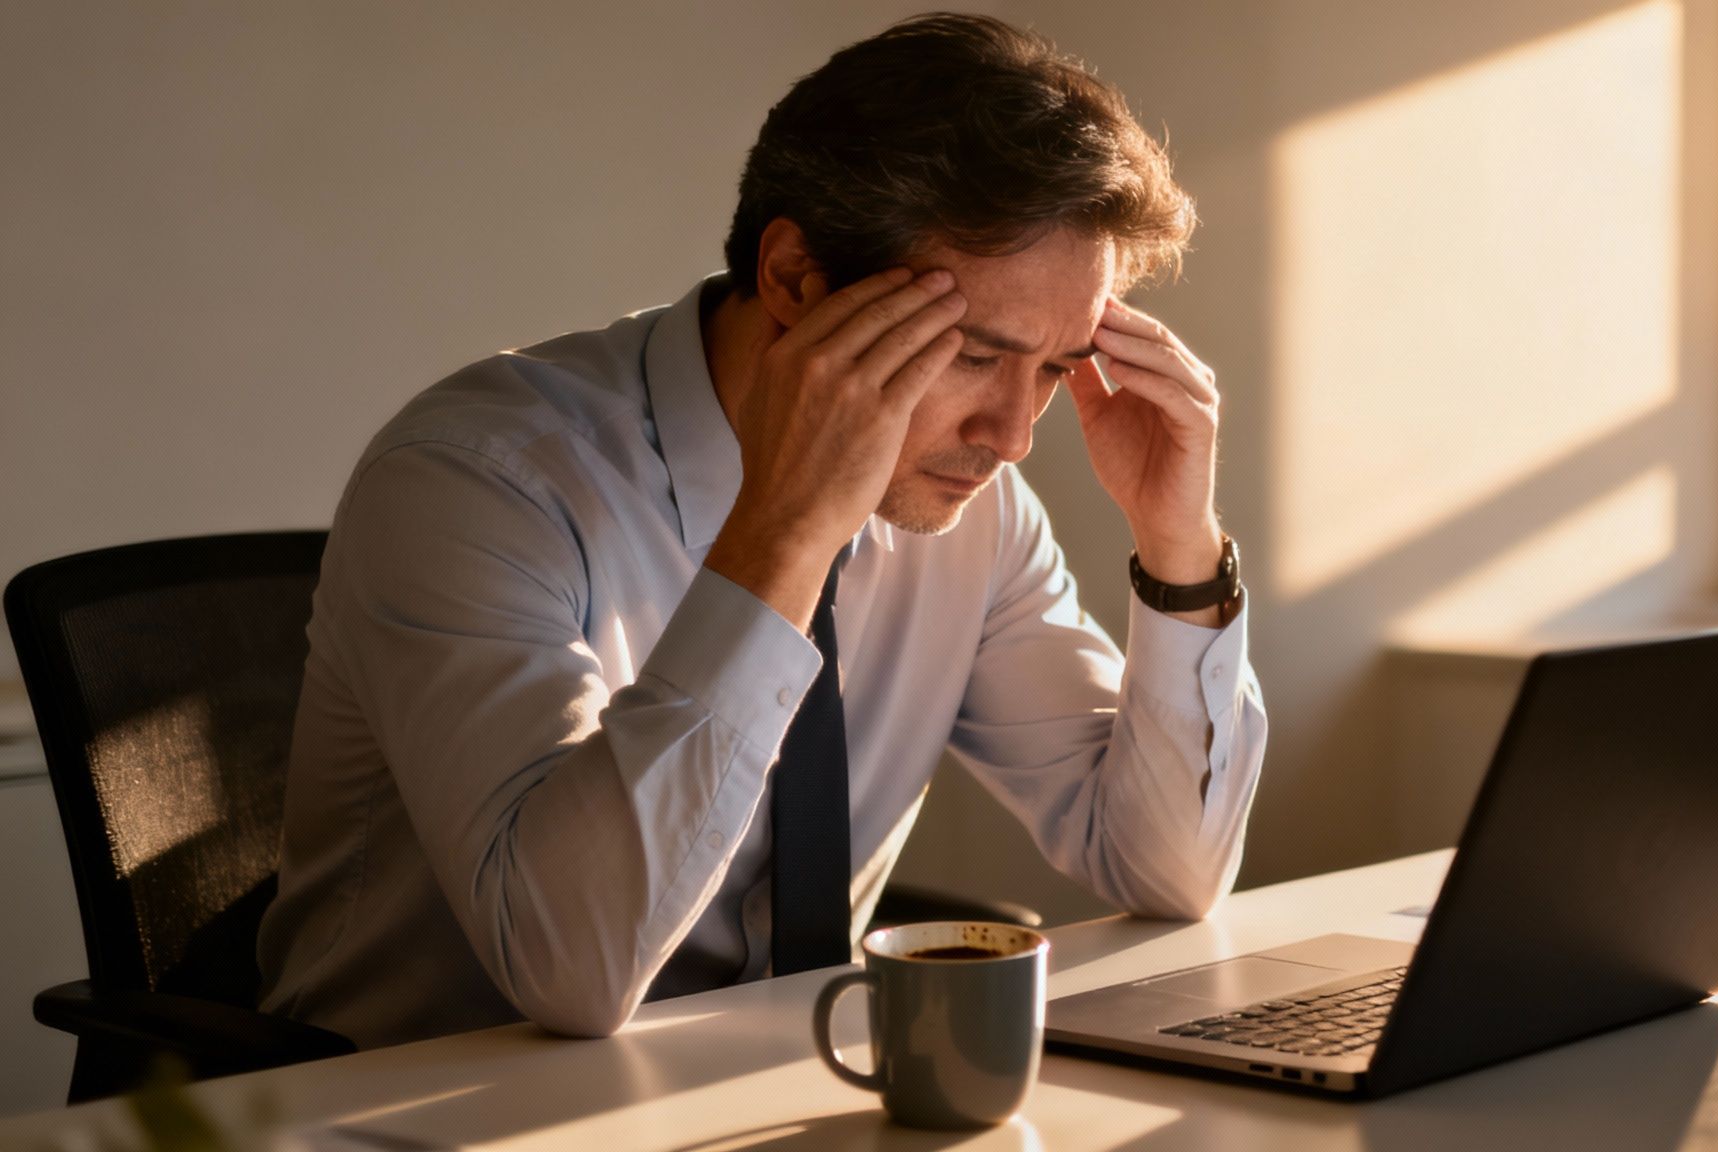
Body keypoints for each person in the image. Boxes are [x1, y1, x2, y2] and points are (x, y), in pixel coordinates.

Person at [258, 12, 1268, 1048]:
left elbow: (1166, 872)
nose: (1012, 437)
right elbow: (566, 969)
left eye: (1053, 370)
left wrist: (1177, 545)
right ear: (793, 279)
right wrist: (782, 539)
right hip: (413, 1104)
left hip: (784, 1079)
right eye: (972, 355)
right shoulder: (478, 482)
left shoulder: (972, 514)